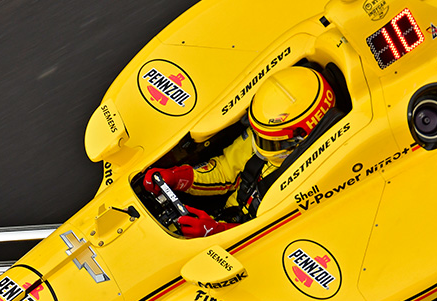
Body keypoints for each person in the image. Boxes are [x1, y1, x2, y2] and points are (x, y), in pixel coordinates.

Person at [144, 66, 336, 238]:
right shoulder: (268, 132)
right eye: (259, 135)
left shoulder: (322, 176)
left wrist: (218, 232)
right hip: (219, 221)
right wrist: (177, 177)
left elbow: (278, 235)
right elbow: (226, 170)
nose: (261, 146)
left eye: (272, 143)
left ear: (304, 138)